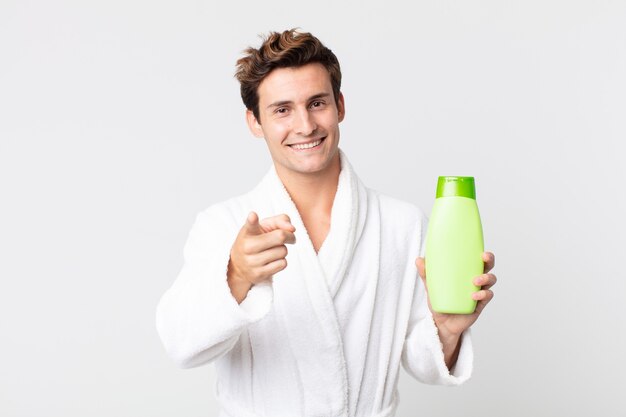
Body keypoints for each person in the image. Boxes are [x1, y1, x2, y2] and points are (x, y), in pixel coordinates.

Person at [156, 28, 497, 417]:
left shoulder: (402, 225)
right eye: (282, 110)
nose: (305, 125)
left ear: (340, 106)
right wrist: (236, 275)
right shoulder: (222, 226)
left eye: (317, 103)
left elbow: (422, 363)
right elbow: (180, 344)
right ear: (254, 122)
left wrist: (448, 329)